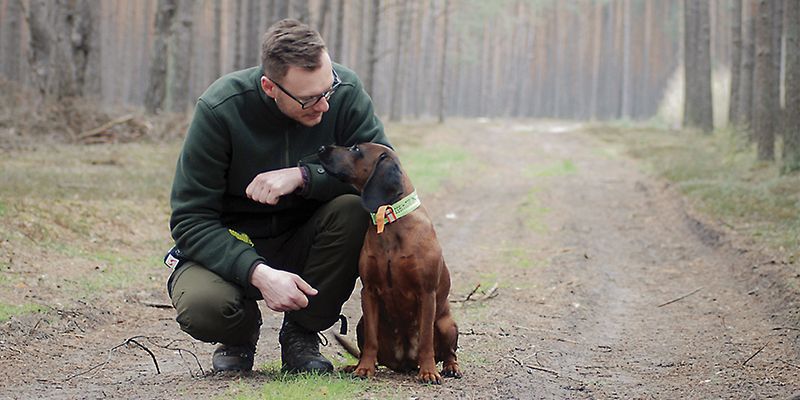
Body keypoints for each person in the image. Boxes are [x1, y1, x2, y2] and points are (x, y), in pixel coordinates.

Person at [165, 19, 390, 373]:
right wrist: (258, 272)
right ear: (270, 86)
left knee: (353, 210)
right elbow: (190, 219)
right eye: (309, 99)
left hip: (310, 239)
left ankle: (302, 332)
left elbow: (382, 174)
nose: (324, 105)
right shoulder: (220, 109)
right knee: (203, 305)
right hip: (236, 242)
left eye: (327, 89)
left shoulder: (345, 93)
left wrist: (305, 176)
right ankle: (239, 333)